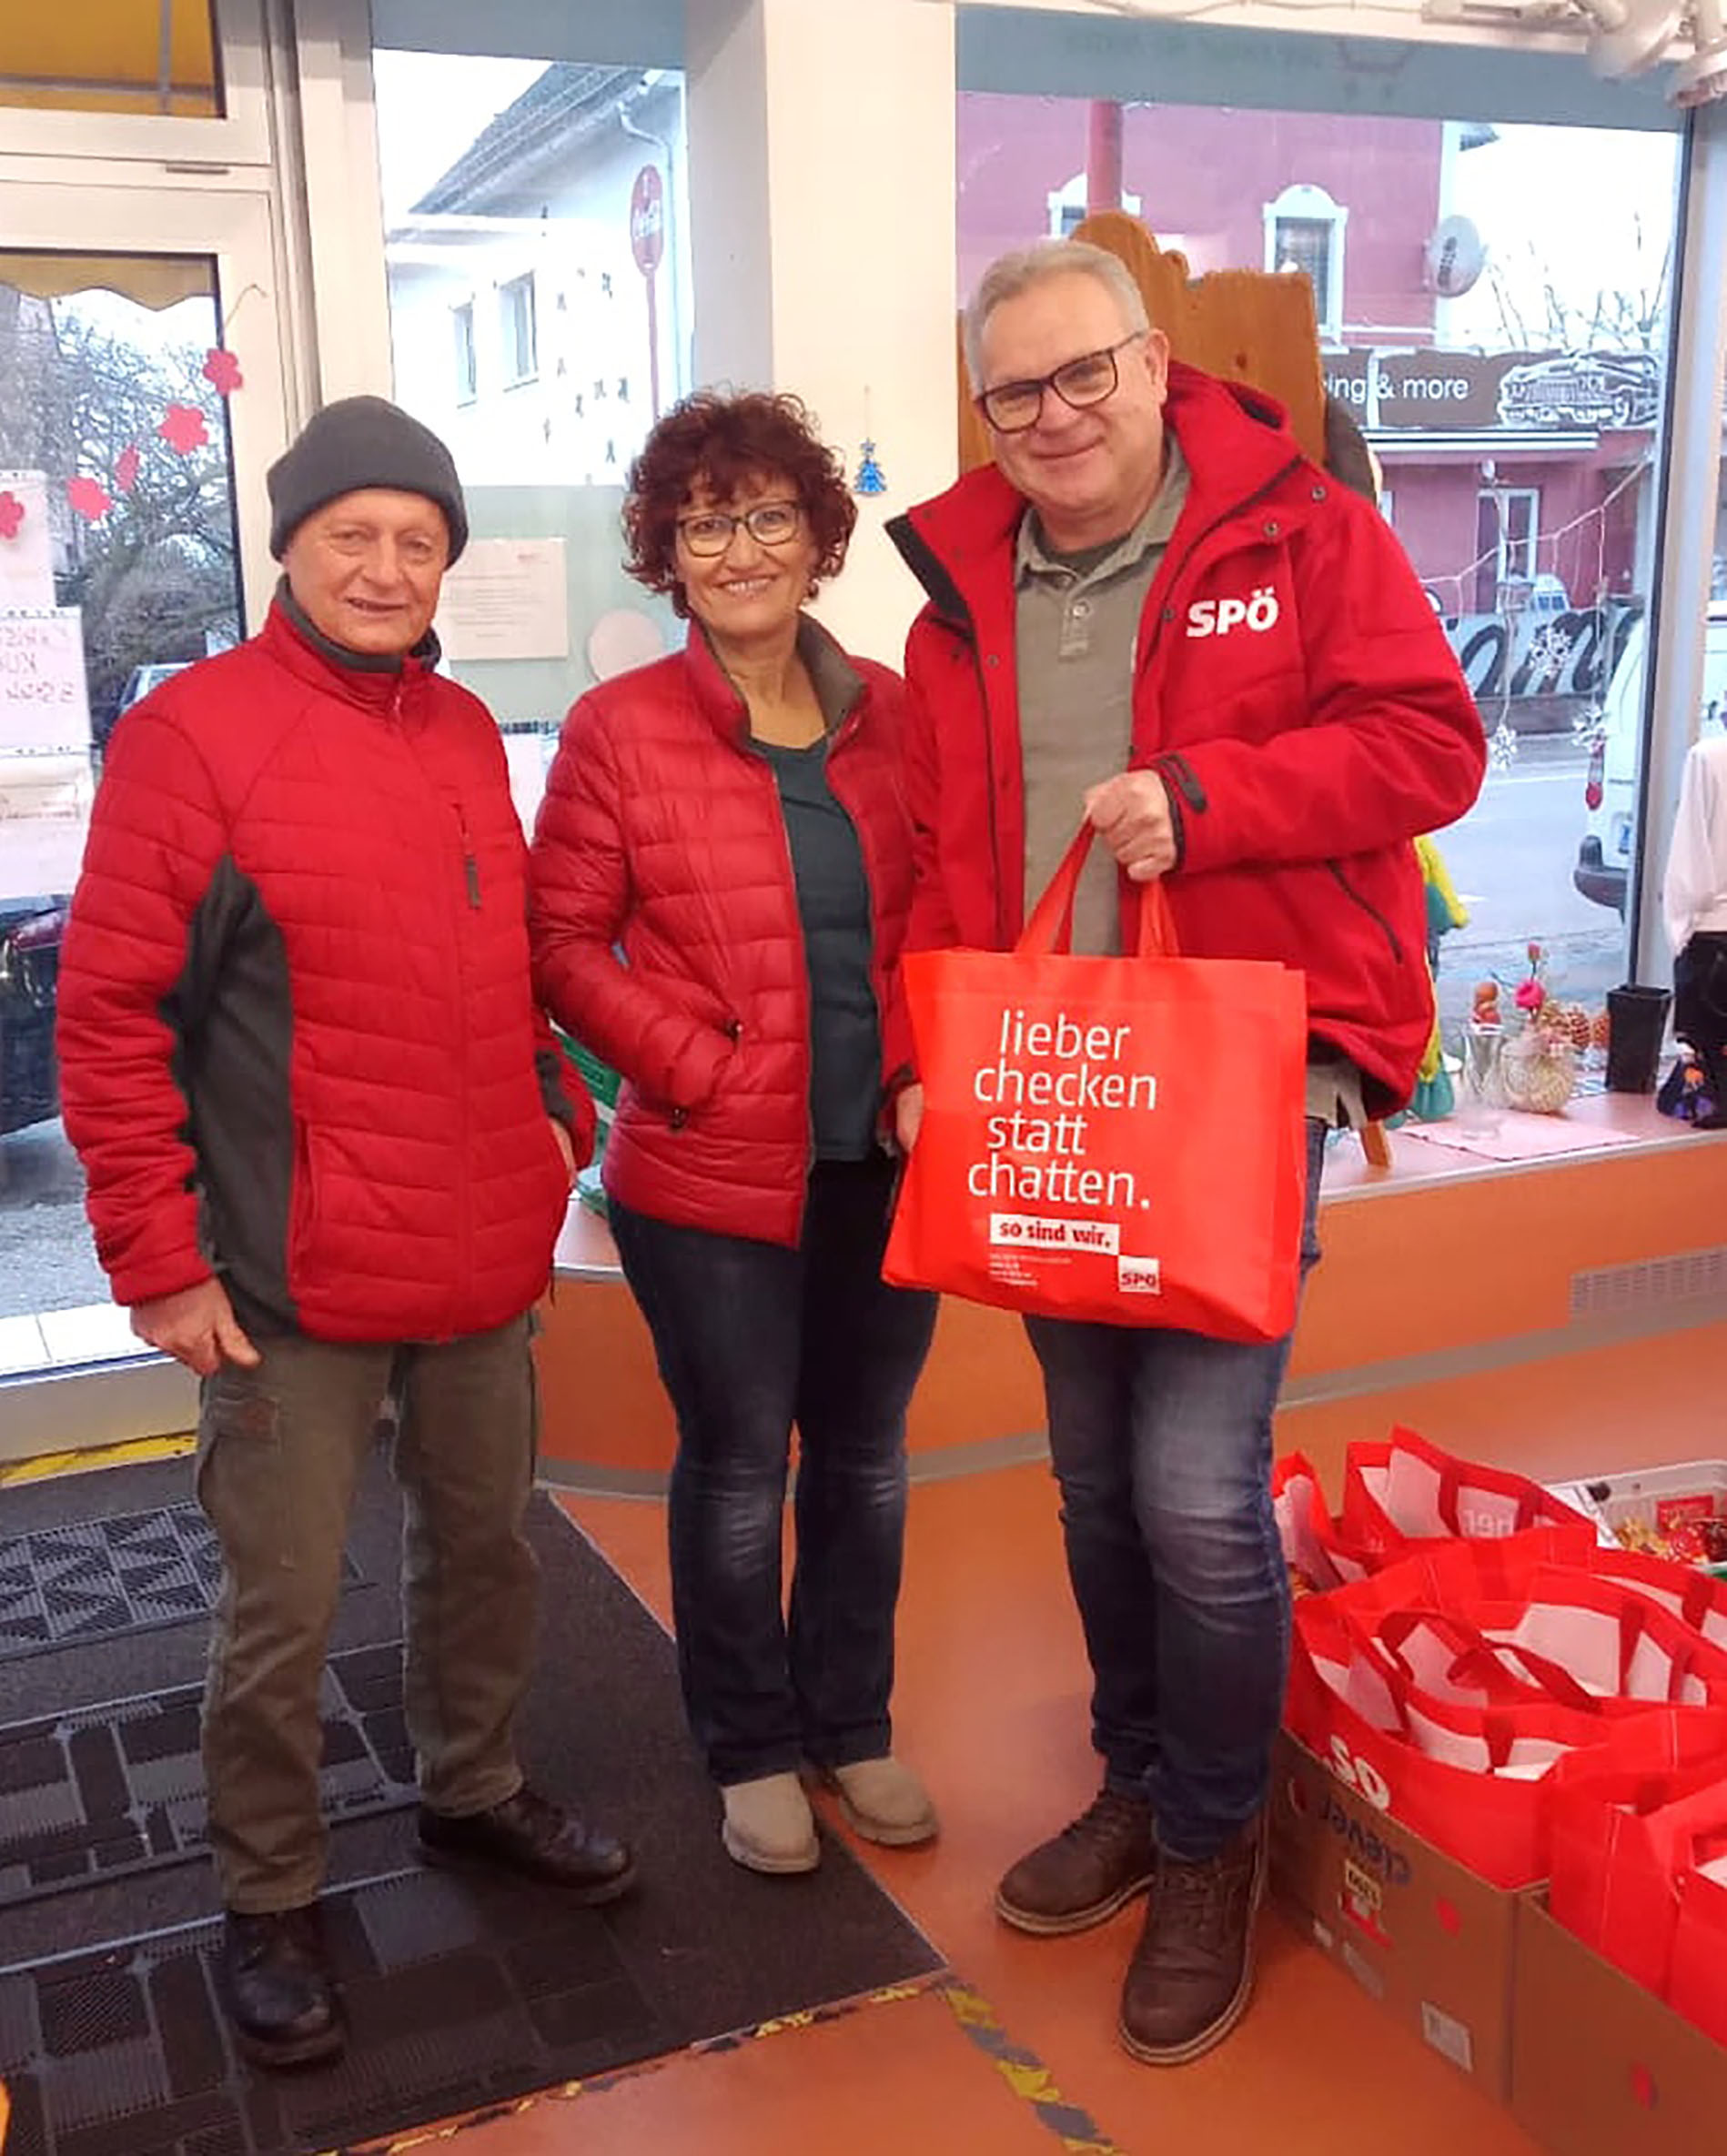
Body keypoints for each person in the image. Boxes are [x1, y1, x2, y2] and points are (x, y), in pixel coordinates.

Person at [885, 241, 1484, 2064]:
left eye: (1079, 378)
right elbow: (932, 852)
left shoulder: (1303, 537)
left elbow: (1431, 747)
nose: (1049, 419)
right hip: (1052, 1092)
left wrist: (1207, 807)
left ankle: (1215, 1839)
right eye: (1012, 394)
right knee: (1085, 1473)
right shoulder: (955, 596)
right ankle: (1138, 1782)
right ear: (978, 408)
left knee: (1197, 1494)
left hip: (1244, 1073)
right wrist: (929, 1062)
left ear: (1152, 366)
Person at [55, 396, 635, 2072]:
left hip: (476, 1251)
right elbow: (109, 1013)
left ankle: (473, 1791)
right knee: (283, 1602)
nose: (386, 566)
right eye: (351, 535)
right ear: (291, 546)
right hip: (286, 1281)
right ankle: (270, 1886)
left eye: (418, 539)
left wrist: (554, 1114)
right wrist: (156, 1256)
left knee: (488, 1552)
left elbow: (505, 963)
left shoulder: (461, 731)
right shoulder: (195, 735)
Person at [529, 389, 939, 1878]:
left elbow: (934, 923)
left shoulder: (897, 713)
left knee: (866, 1458)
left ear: (818, 537)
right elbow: (562, 940)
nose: (740, 547)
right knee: (734, 1462)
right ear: (667, 552)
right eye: (706, 522)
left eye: (768, 515)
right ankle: (751, 1743)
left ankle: (854, 1719)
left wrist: (913, 1066)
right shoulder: (617, 730)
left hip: (881, 1159)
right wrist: (690, 1061)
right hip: (703, 1173)